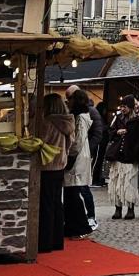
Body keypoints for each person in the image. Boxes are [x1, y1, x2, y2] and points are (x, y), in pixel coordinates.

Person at [36, 93, 75, 253]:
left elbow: (39, 142)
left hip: (46, 166)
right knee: (57, 204)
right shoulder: (68, 122)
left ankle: (45, 242)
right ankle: (57, 240)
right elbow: (71, 143)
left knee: (45, 205)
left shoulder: (47, 122)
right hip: (60, 166)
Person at [106, 95, 139, 220]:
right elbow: (110, 133)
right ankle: (118, 208)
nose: (123, 109)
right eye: (122, 106)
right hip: (117, 156)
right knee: (116, 182)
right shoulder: (118, 119)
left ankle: (130, 209)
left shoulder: (138, 121)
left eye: (125, 106)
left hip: (130, 156)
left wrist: (137, 156)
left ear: (131, 107)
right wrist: (117, 132)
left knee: (129, 183)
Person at [63, 90, 95, 240]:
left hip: (77, 157)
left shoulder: (80, 118)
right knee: (71, 193)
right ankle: (72, 225)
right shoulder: (80, 117)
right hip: (78, 156)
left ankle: (80, 226)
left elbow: (78, 140)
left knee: (73, 193)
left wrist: (70, 156)